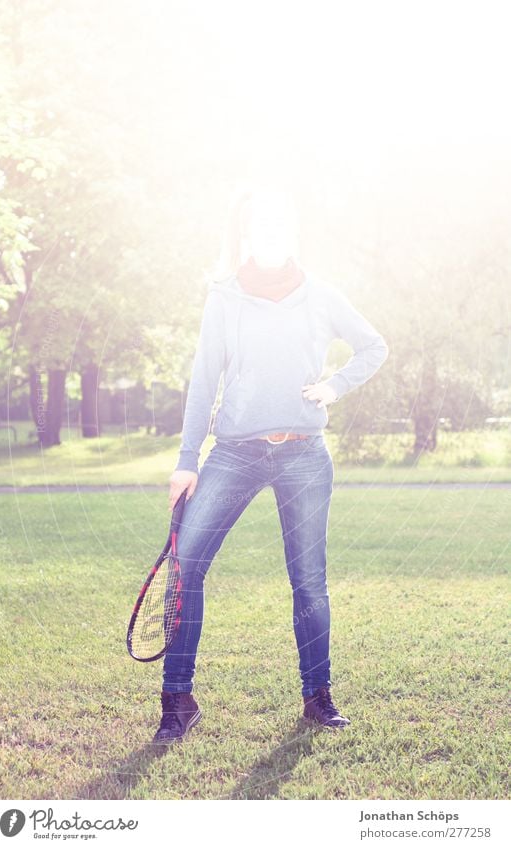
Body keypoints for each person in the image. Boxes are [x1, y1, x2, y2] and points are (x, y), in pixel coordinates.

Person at [153, 184, 389, 743]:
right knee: (184, 568)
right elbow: (203, 380)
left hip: (305, 456)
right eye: (259, 228)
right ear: (247, 236)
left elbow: (373, 346)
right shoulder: (224, 297)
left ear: (292, 233)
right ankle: (177, 701)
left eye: (279, 227)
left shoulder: (323, 295)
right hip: (234, 452)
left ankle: (318, 698)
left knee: (309, 582)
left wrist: (334, 386)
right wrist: (188, 461)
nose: (269, 237)